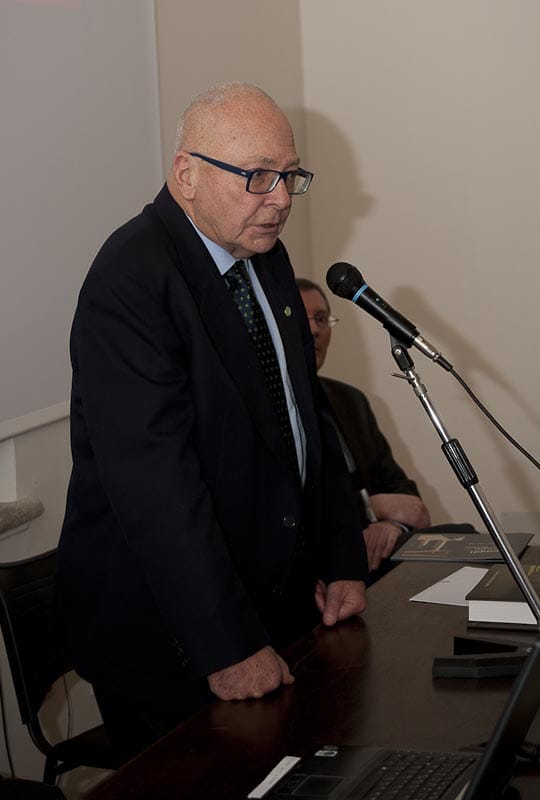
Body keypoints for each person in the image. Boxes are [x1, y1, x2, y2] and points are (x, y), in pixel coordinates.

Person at [55, 83, 368, 761]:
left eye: (289, 175)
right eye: (257, 175)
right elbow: (155, 486)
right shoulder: (131, 278)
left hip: (273, 602)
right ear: (186, 173)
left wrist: (342, 555)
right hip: (172, 635)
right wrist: (226, 644)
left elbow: (304, 414)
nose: (280, 199)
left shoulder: (262, 252)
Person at [296, 277, 432, 581]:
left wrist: (391, 525)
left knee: (468, 543)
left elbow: (402, 492)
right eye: (302, 318)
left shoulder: (350, 400)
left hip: (376, 553)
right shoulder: (269, 407)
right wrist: (370, 508)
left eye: (321, 319)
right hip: (320, 564)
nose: (315, 330)